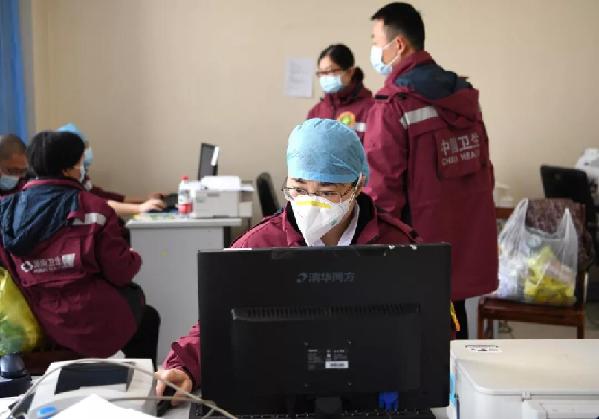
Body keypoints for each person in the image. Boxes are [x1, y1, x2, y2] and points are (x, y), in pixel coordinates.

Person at [154, 118, 422, 402]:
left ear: (358, 186)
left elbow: (430, 325)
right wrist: (184, 367)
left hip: (373, 391)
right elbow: (217, 321)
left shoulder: (398, 245)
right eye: (299, 188)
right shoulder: (257, 245)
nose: (312, 202)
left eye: (327, 192)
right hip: (283, 394)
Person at [363, 2, 497, 338]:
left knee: (414, 347)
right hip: (462, 242)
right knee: (455, 334)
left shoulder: (393, 104)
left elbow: (383, 192)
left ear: (398, 45)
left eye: (376, 41)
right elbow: (484, 172)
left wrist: (371, 250)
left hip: (415, 252)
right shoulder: (463, 96)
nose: (374, 49)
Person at [0, 131, 160, 364]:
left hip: (39, 318)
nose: (82, 170)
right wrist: (133, 258)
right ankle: (141, 383)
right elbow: (120, 272)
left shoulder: (6, 210)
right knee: (147, 318)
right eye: (80, 164)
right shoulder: (93, 209)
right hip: (89, 318)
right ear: (67, 169)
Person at [57, 123, 165, 215]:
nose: (86, 152)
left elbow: (101, 196)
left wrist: (146, 202)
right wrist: (139, 208)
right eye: (83, 148)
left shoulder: (81, 176)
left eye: (86, 146)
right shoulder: (62, 187)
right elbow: (93, 204)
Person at [307, 44, 374, 142]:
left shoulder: (371, 109)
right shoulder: (316, 111)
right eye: (321, 73)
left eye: (330, 71)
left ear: (350, 71)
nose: (325, 77)